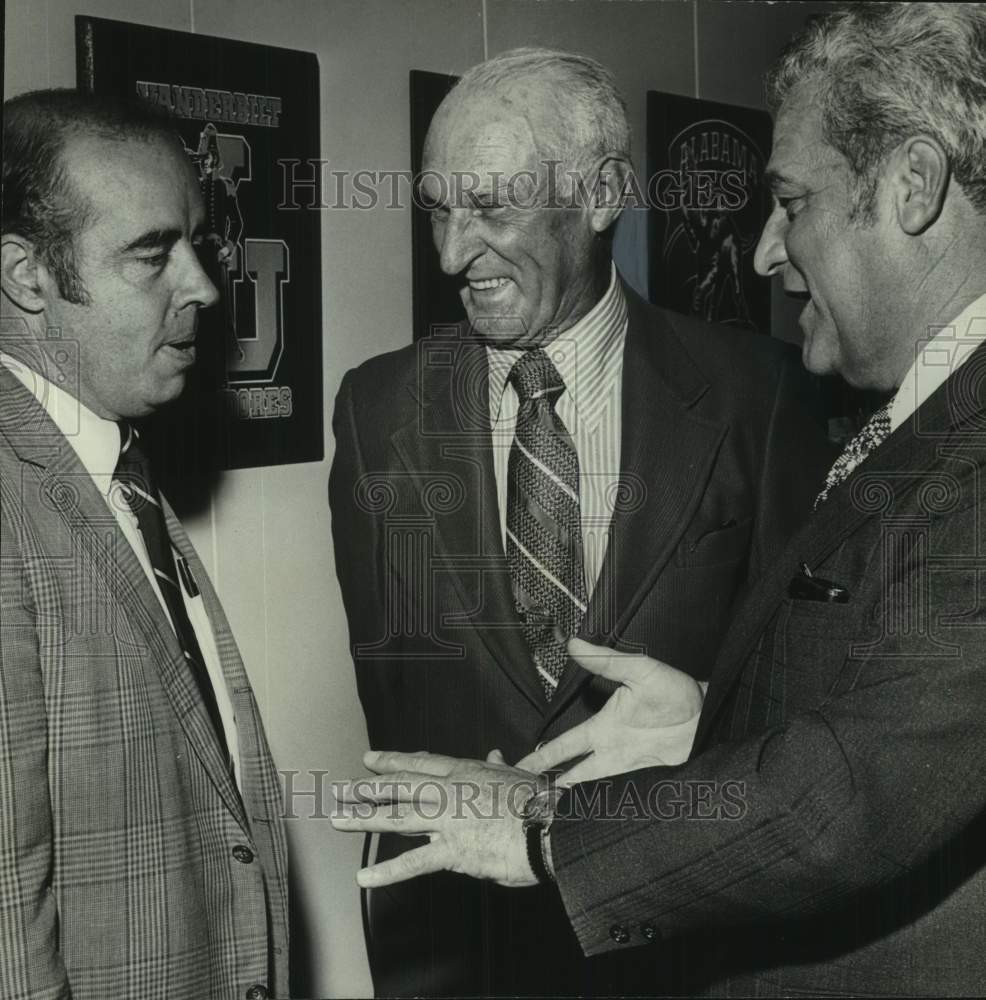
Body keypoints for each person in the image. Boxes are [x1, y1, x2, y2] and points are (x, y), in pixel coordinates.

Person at [332, 5, 986, 996]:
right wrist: (708, 721)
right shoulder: (375, 408)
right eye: (435, 209)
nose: (452, 253)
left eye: (791, 201)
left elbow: (858, 785)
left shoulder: (775, 394)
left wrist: (548, 832)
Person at [0, 89, 288, 1000]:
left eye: (197, 244)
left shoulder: (109, 459)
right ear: (27, 276)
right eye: (152, 254)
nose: (202, 286)